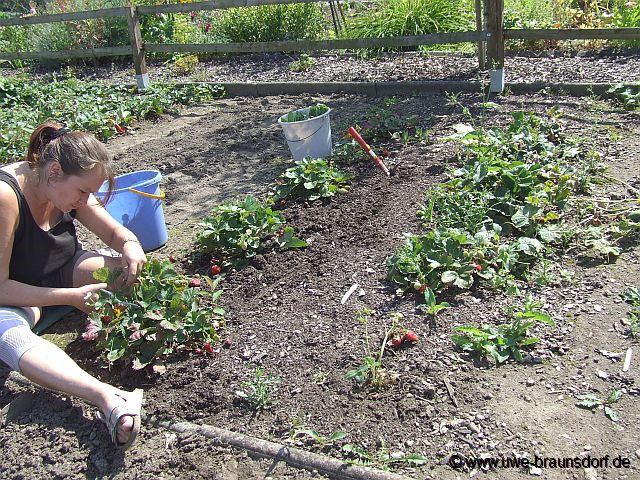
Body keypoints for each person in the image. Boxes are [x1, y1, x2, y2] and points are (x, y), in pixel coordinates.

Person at [0, 121, 147, 449]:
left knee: (127, 273)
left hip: (59, 270)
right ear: (53, 172)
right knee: (9, 337)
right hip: (12, 293)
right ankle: (106, 396)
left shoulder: (66, 184)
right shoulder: (6, 196)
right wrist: (72, 297)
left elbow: (112, 233)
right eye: (83, 191)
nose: (86, 200)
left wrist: (131, 245)